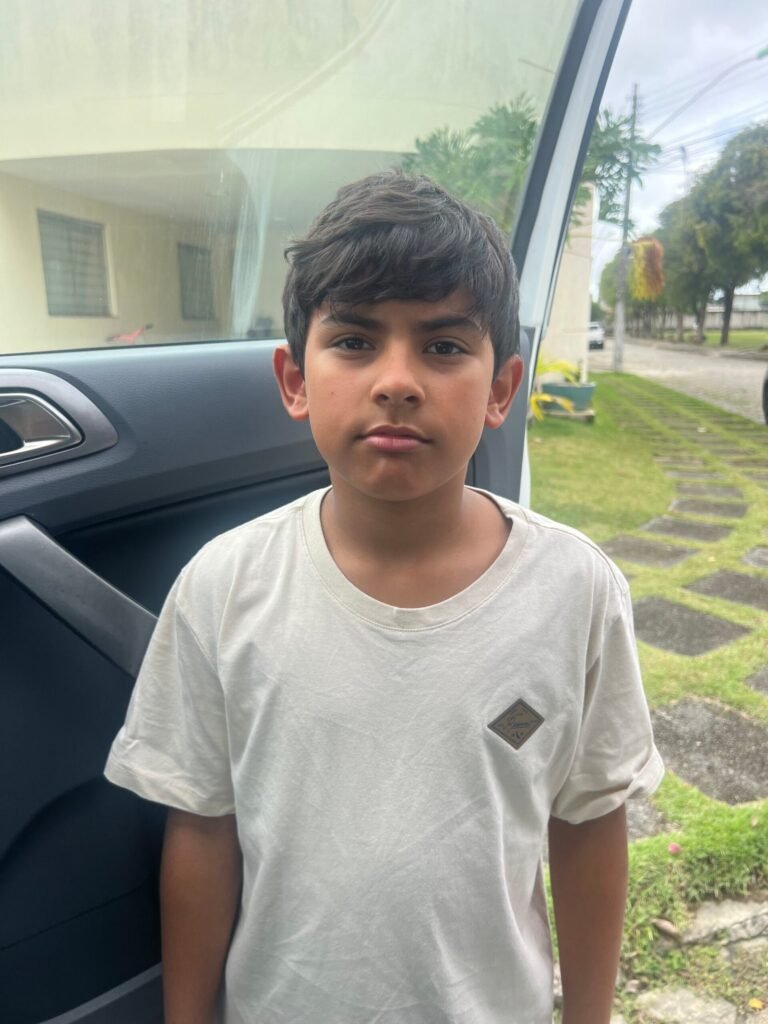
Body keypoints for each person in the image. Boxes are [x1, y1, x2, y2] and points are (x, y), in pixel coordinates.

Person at [105, 170, 663, 1024]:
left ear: (502, 389)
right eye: (356, 340)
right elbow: (203, 830)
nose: (397, 380)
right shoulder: (224, 586)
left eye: (444, 347)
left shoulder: (575, 589)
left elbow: (589, 823)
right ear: (295, 379)